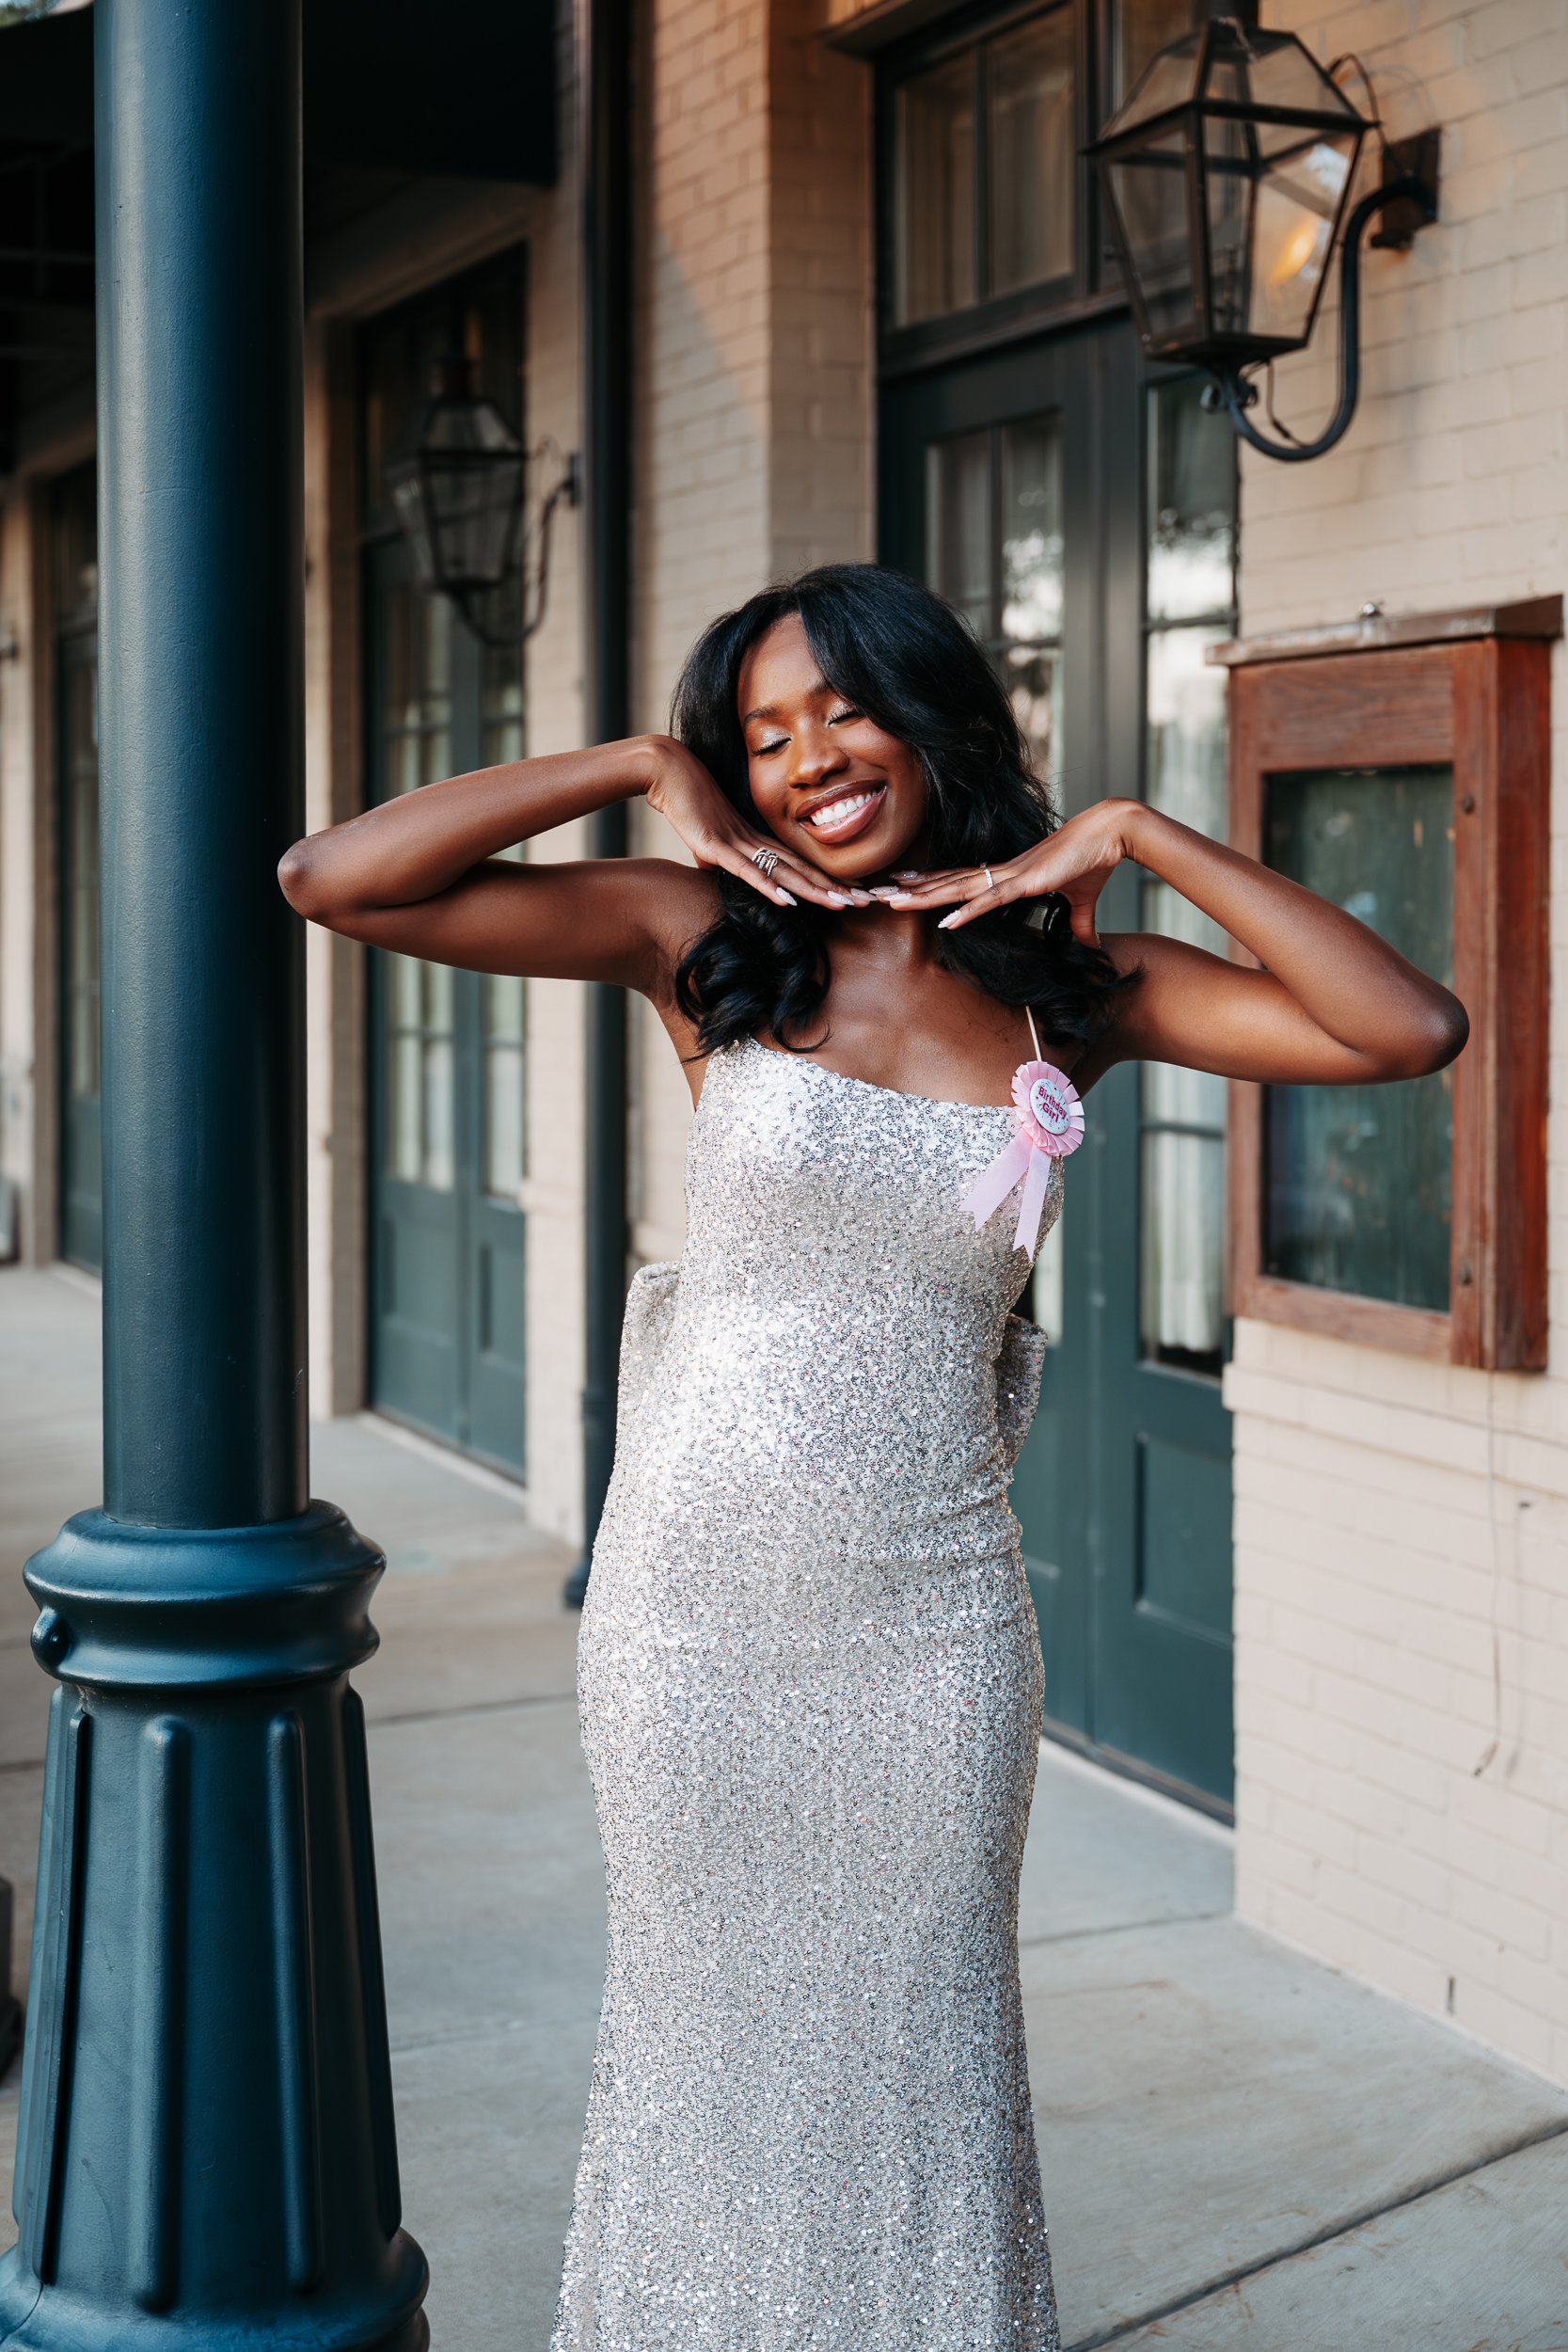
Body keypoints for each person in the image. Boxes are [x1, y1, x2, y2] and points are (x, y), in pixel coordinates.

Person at [279, 563, 1466, 2350]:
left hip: (929, 1639)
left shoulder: (1079, 992)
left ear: (933, 715)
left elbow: (1406, 1028)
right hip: (692, 1622)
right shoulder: (704, 938)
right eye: (761, 734)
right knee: (700, 2057)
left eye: (841, 708)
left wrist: (1137, 831)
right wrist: (629, 762)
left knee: (919, 2067)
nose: (808, 759)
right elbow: (333, 880)